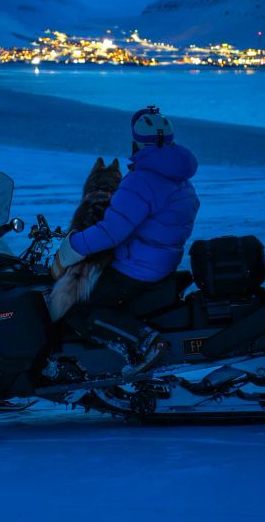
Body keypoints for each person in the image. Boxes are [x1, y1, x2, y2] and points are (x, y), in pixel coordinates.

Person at [51, 105, 200, 377]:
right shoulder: (179, 177)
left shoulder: (142, 180)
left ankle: (144, 343)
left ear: (137, 142)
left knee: (79, 309)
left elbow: (111, 231)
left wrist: (72, 247)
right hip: (159, 261)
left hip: (138, 267)